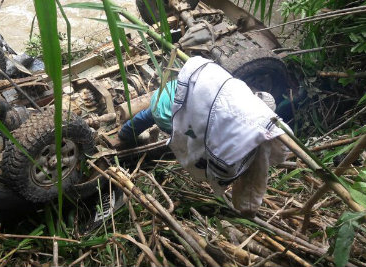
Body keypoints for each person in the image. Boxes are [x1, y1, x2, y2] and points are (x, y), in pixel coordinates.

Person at [118, 56, 290, 218]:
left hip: (166, 92)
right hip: (168, 114)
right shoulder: (231, 120)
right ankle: (165, 146)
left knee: (145, 116)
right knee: (184, 135)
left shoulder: (232, 90)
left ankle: (125, 134)